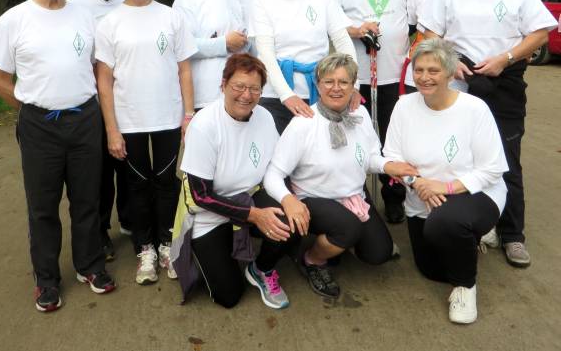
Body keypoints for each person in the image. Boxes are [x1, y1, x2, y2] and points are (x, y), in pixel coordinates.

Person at [0, 0, 116, 313]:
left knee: (87, 200)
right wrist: (33, 112)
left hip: (85, 119)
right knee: (42, 207)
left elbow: (97, 67)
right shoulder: (13, 20)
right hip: (39, 126)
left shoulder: (83, 16)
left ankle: (89, 266)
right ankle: (46, 279)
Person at [421, 0, 557, 268]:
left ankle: (513, 235)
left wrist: (506, 57)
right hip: (462, 82)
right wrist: (450, 63)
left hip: (505, 80)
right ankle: (481, 224)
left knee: (507, 159)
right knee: (463, 157)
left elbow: (541, 32)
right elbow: (431, 34)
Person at [264, 53, 416, 299]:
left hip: (353, 196)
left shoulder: (360, 115)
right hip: (312, 198)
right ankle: (312, 260)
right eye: (328, 81)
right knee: (348, 228)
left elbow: (369, 158)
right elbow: (273, 174)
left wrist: (389, 166)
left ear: (353, 84)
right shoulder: (304, 123)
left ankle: (338, 241)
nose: (336, 88)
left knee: (379, 253)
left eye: (344, 82)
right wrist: (287, 199)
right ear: (317, 84)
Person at [383, 38, 509, 324]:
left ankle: (466, 287)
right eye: (419, 70)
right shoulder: (403, 106)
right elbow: (391, 156)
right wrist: (418, 183)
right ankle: (467, 236)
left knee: (446, 225)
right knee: (432, 270)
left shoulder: (474, 109)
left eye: (434, 71)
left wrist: (445, 187)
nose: (424, 77)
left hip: (476, 192)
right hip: (424, 196)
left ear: (451, 74)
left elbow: (492, 169)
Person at [96, 0, 197, 284]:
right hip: (129, 119)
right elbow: (104, 80)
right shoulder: (109, 23)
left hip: (167, 116)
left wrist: (188, 115)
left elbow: (184, 70)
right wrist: (112, 128)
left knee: (167, 182)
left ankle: (167, 243)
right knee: (136, 185)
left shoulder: (171, 16)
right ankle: (145, 250)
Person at [174, 53, 295, 309]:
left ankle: (261, 269)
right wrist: (253, 215)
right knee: (228, 296)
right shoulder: (204, 125)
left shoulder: (264, 116)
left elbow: (275, 167)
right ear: (223, 85)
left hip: (249, 195)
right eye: (238, 86)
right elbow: (200, 195)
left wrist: (290, 199)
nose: (246, 95)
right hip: (209, 213)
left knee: (291, 223)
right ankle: (212, 246)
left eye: (254, 88)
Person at [329, 0, 418, 224]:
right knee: (355, 137)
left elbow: (417, 20)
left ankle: (393, 196)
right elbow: (332, 21)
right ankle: (354, 195)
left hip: (395, 75)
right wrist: (356, 30)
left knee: (394, 138)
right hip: (355, 77)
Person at [253, 0, 358, 135]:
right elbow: (265, 54)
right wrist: (287, 96)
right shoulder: (262, 1)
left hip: (322, 92)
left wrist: (354, 85)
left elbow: (342, 41)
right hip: (277, 96)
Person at [68, 0, 130, 262]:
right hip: (94, 99)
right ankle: (102, 229)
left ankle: (132, 221)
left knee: (130, 165)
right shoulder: (74, 6)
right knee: (101, 171)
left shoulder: (130, 0)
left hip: (130, 98)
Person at [173, 0, 247, 110]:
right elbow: (183, 47)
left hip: (236, 92)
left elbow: (241, 42)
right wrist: (224, 43)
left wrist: (244, 43)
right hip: (204, 95)